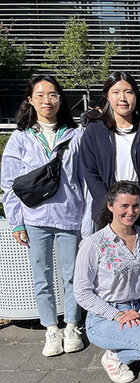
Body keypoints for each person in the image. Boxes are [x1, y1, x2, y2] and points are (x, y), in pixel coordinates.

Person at [1, 75, 85, 356]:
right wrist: (16, 221)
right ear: (30, 100)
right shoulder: (21, 137)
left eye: (52, 95)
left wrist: (87, 217)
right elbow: (10, 182)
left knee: (73, 275)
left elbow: (85, 179)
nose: (47, 101)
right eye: (40, 95)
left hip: (69, 216)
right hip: (34, 218)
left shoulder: (76, 135)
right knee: (42, 277)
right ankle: (51, 329)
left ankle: (72, 326)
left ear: (61, 100)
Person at [73, 181, 140, 383]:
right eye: (124, 206)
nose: (131, 212)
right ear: (111, 206)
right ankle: (114, 357)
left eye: (135, 206)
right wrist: (117, 315)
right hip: (105, 317)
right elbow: (82, 292)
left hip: (139, 312)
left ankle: (131, 348)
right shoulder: (93, 243)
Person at [80, 72, 140, 229]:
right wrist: (109, 204)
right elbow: (90, 171)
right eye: (116, 92)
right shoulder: (94, 131)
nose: (122, 98)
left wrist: (138, 202)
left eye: (128, 92)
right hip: (107, 207)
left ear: (136, 96)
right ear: (107, 96)